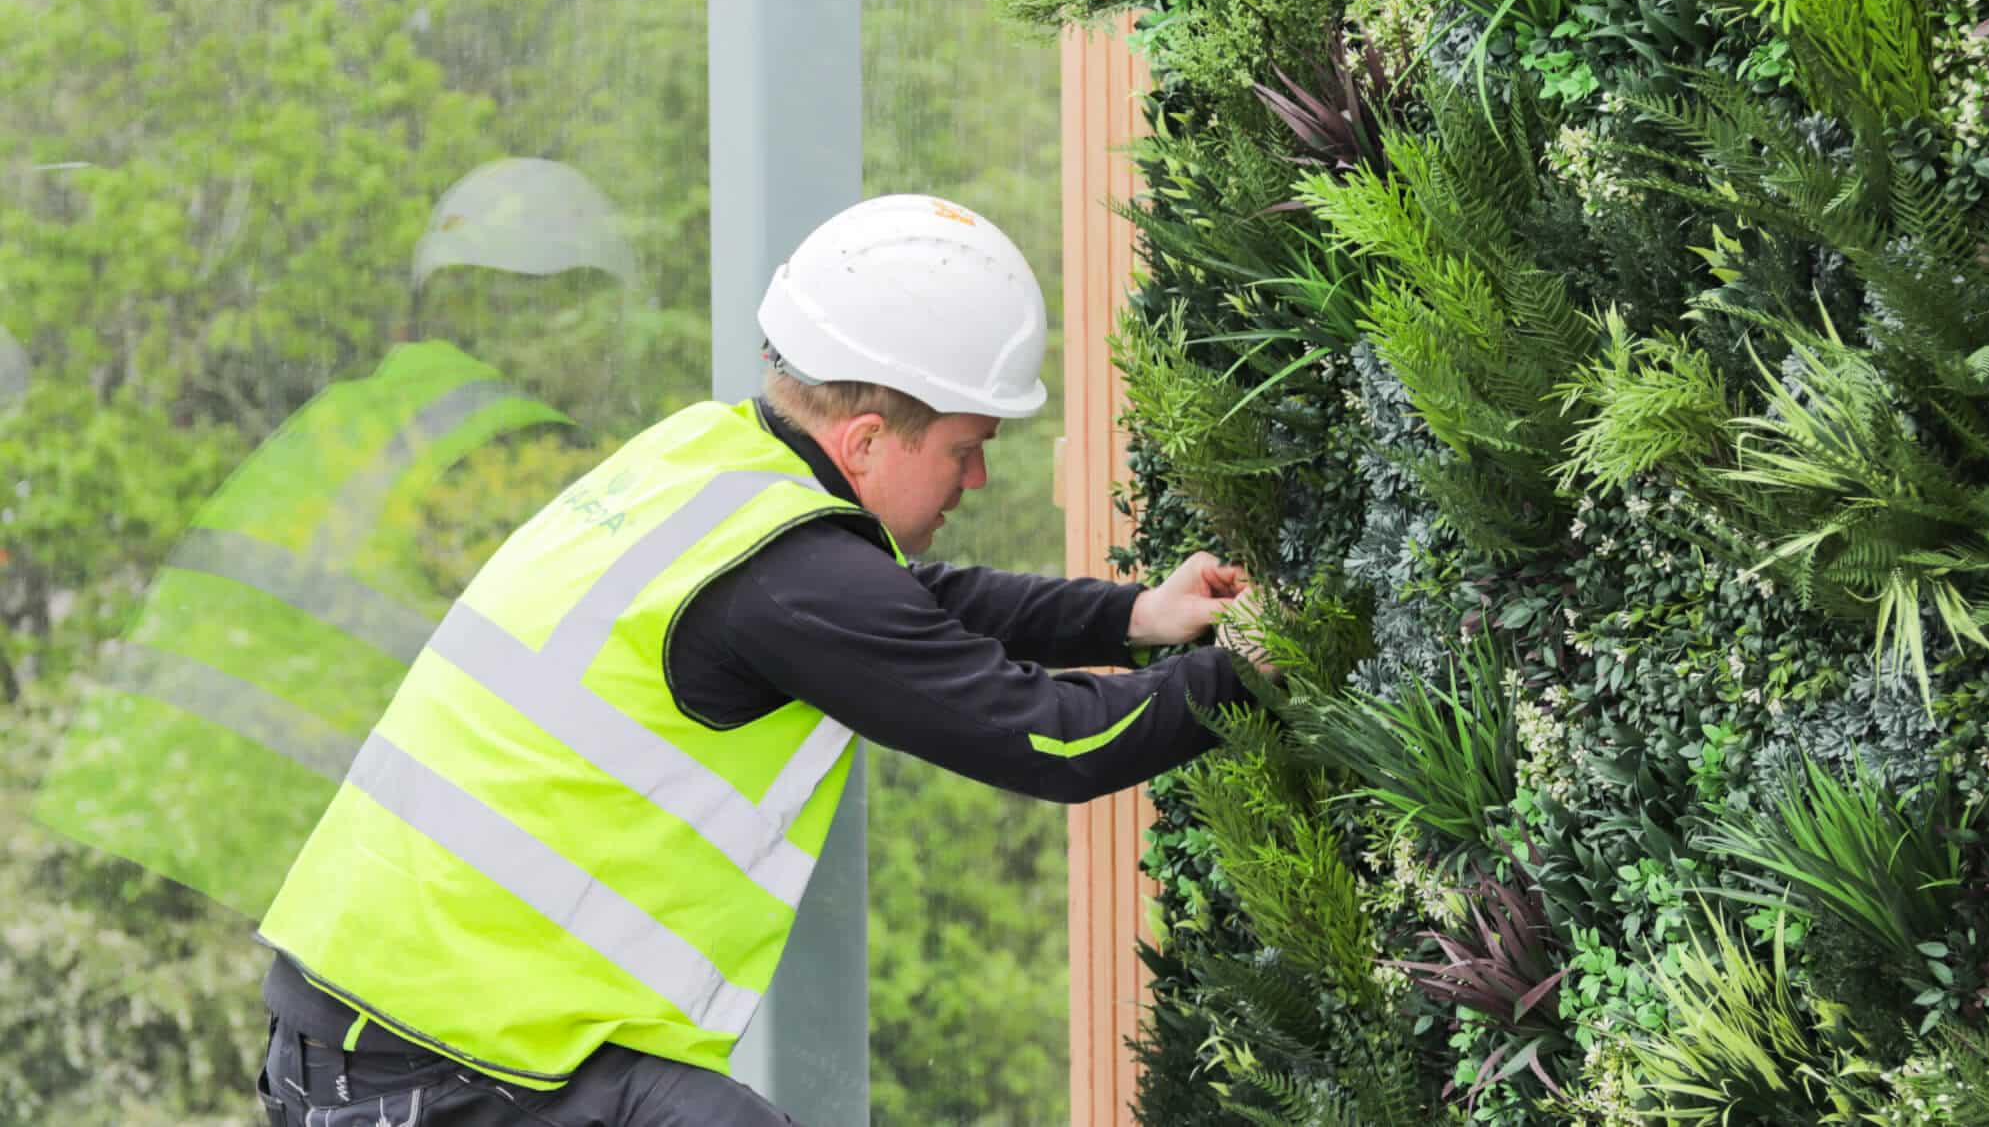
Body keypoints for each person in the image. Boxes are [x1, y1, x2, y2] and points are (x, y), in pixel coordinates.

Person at [250, 193, 1268, 1127]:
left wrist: (1134, 613)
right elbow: (1054, 741)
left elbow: (902, 604)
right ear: (868, 438)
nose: (977, 474)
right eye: (965, 445)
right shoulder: (795, 578)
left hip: (392, 1026)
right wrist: (1258, 667)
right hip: (434, 1067)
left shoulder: (704, 461)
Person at [33, 158, 634, 918]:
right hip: (261, 871)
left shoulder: (346, 416)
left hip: (125, 825)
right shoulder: (520, 458)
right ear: (556, 310)